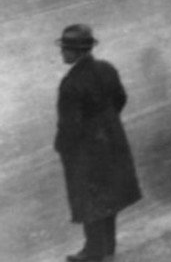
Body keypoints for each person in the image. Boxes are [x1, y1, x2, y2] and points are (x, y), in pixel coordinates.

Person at [54, 25, 142, 262]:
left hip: (86, 149)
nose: (62, 53)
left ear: (77, 51)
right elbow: (120, 98)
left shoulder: (71, 84)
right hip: (112, 139)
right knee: (109, 196)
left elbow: (68, 126)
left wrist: (62, 147)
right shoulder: (106, 69)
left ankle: (93, 251)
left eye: (65, 49)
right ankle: (108, 247)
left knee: (89, 199)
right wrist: (107, 123)